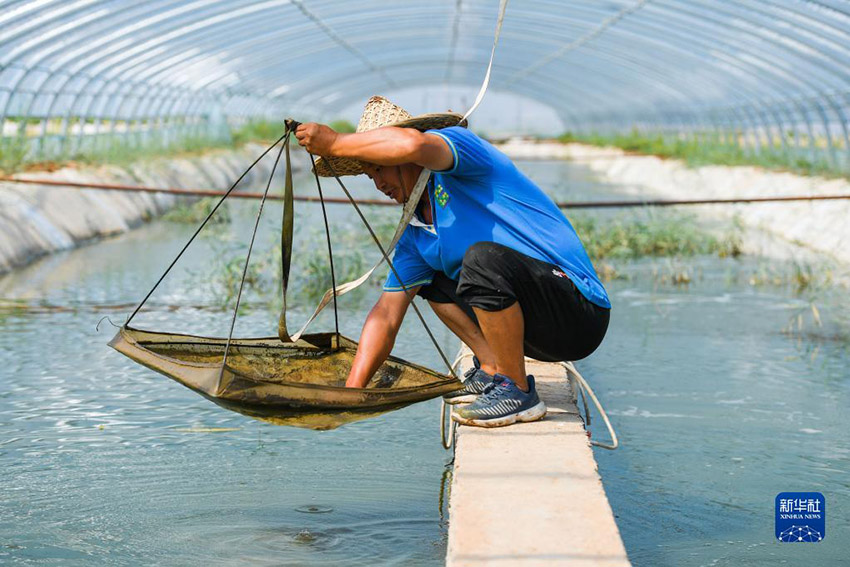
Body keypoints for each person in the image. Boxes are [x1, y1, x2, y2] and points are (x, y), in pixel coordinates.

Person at [295, 96, 610, 428]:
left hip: (577, 313)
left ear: (401, 154)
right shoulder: (415, 234)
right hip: (538, 333)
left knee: (480, 259)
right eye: (369, 175)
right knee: (432, 281)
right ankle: (493, 368)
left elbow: (413, 144)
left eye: (378, 167)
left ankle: (517, 392)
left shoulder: (461, 155)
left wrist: (335, 142)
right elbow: (386, 315)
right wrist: (350, 393)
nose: (379, 184)